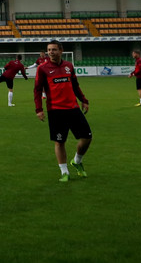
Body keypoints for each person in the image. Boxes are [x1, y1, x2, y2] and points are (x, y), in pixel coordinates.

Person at [34, 40, 91, 182]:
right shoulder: (42, 68)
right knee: (60, 142)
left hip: (73, 108)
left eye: (54, 49)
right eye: (49, 50)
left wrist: (84, 100)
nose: (51, 52)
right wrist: (39, 109)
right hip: (55, 110)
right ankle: (64, 172)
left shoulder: (68, 66)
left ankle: (77, 161)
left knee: (87, 138)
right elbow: (37, 89)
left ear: (61, 50)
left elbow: (75, 85)